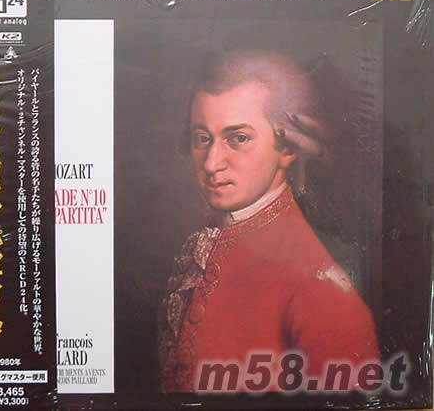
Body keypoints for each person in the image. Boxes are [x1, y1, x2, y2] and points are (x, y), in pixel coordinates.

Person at [158, 50, 379, 393]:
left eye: (238, 138)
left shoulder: (321, 290)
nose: (212, 163)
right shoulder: (204, 241)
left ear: (287, 148)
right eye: (202, 138)